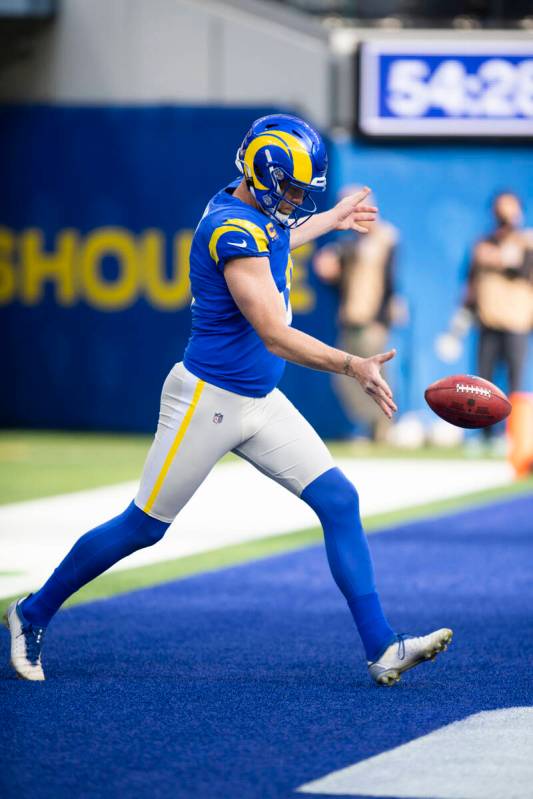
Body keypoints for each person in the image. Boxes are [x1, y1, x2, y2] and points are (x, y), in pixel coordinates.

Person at [5, 114, 451, 686]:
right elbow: (273, 332)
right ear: (263, 179)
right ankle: (32, 612)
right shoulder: (230, 229)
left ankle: (382, 646)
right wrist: (350, 363)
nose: (293, 203)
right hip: (208, 401)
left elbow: (281, 233)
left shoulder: (256, 213)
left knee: (339, 501)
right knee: (144, 526)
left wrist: (332, 220)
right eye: (289, 190)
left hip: (259, 400)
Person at [437, 191, 533, 449]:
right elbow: (470, 285)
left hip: (517, 321)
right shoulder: (481, 243)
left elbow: (522, 270)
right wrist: (457, 326)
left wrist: (498, 258)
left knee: (515, 382)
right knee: (483, 384)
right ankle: (485, 436)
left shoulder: (526, 241)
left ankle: (516, 437)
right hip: (487, 320)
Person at [313, 191, 403, 441]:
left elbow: (389, 279)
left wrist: (388, 312)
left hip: (373, 321)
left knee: (377, 376)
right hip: (350, 319)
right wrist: (330, 269)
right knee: (344, 378)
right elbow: (338, 280)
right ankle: (373, 425)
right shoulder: (350, 245)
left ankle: (383, 428)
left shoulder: (385, 239)